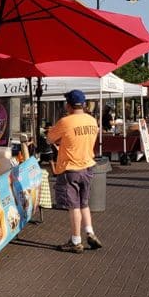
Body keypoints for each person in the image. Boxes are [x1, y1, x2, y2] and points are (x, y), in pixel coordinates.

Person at [46, 90, 103, 254]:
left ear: (68, 105)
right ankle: (90, 232)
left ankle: (76, 240)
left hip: (70, 167)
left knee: (73, 206)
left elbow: (50, 139)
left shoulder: (65, 121)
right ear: (84, 104)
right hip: (87, 166)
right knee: (84, 203)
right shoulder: (92, 121)